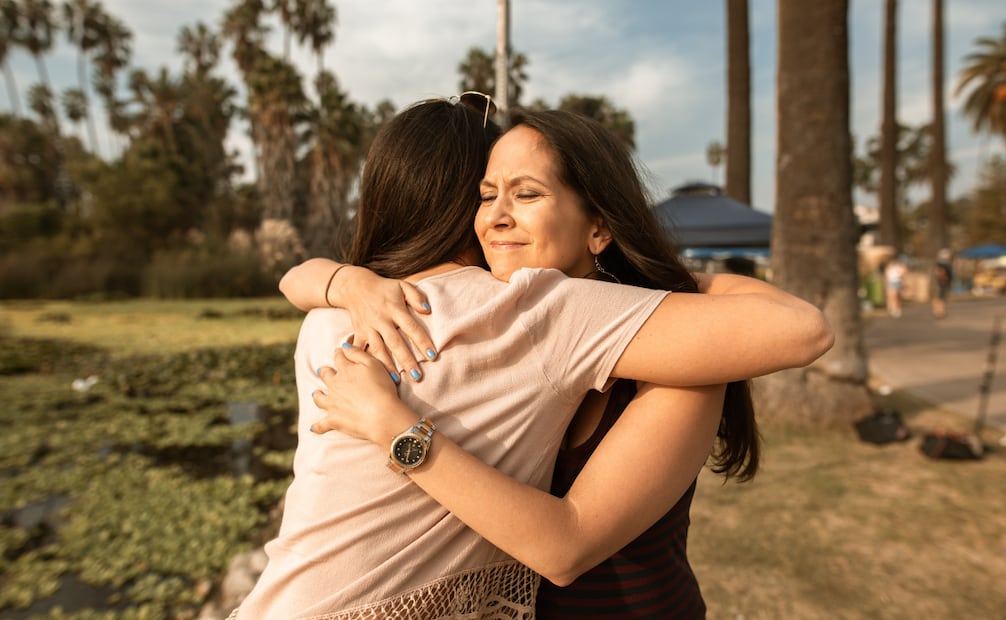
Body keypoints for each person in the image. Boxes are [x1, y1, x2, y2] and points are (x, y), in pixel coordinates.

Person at [235, 97, 833, 619]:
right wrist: (349, 282)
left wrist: (395, 429)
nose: (496, 216)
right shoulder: (501, 321)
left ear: (598, 228)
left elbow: (803, 329)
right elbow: (298, 280)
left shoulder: (627, 346)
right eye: (485, 195)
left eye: (527, 194)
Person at [932, 249, 953, 319]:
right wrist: (944, 279)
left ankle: (939, 311)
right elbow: (941, 272)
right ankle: (939, 311)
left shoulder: (941, 263)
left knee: (940, 298)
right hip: (942, 282)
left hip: (942, 282)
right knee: (940, 298)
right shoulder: (943, 264)